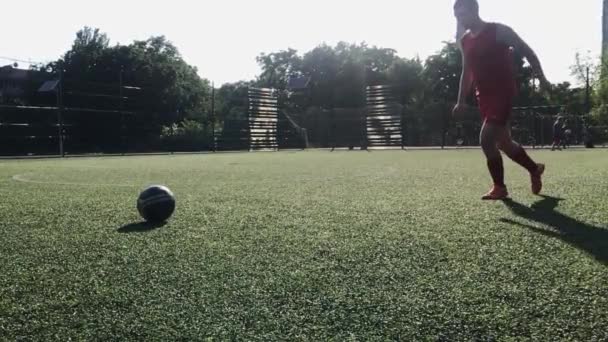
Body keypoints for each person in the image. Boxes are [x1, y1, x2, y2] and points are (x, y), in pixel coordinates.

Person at [452, 0, 550, 200]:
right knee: (504, 143)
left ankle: (500, 187)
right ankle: (534, 169)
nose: (460, 20)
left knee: (486, 139)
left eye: (463, 14)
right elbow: (467, 71)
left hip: (503, 92)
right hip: (484, 96)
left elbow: (527, 51)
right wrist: (461, 100)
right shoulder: (464, 40)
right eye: (457, 16)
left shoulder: (499, 31)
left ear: (474, 10)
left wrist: (541, 78)